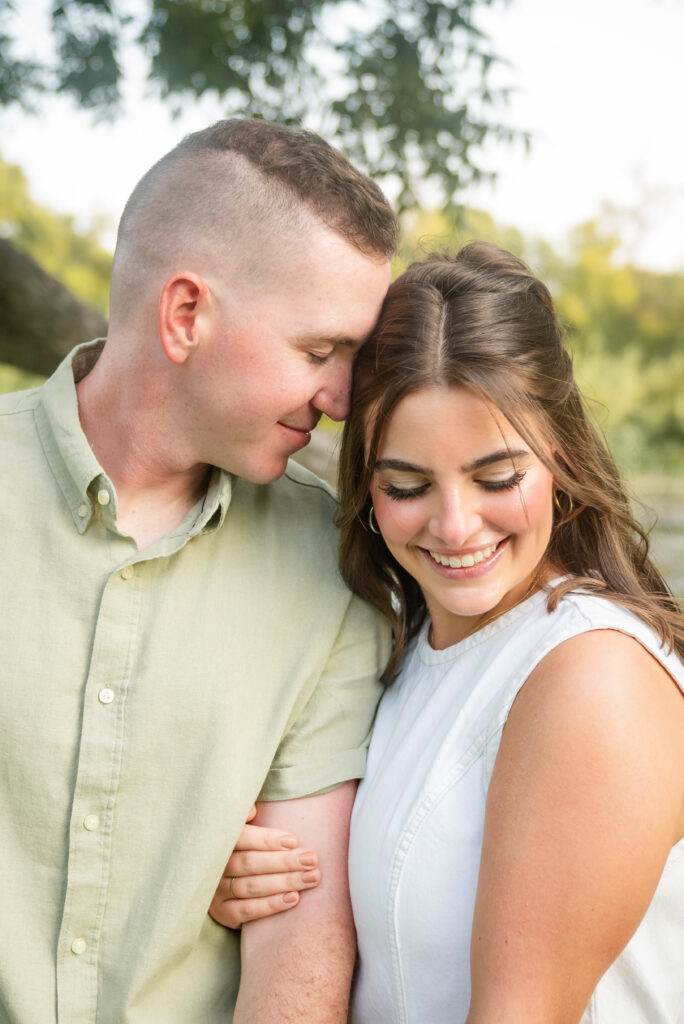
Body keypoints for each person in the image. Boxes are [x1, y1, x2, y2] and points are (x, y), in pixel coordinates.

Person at [211, 243, 684, 1023]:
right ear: (366, 484)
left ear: (559, 456)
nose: (456, 526)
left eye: (497, 478)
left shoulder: (590, 676)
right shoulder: (404, 648)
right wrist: (250, 885)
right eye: (407, 485)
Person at [0, 118, 397, 1022]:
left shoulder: (331, 563)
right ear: (186, 314)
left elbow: (300, 942)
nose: (339, 400)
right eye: (319, 351)